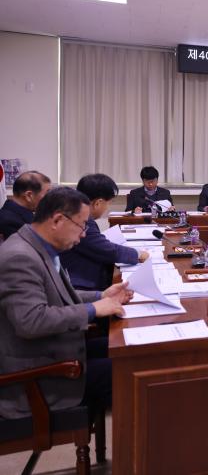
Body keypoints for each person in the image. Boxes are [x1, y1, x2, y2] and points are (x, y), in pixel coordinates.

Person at [0, 187, 132, 419]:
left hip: (56, 349)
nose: (84, 235)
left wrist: (101, 295)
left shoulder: (37, 245)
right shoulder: (20, 257)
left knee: (130, 349)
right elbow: (31, 321)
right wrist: (92, 310)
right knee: (136, 371)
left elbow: (57, 295)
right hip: (38, 377)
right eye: (82, 226)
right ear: (58, 220)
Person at [60, 174, 148, 291]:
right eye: (109, 203)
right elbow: (106, 250)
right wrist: (138, 254)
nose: (107, 207)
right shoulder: (79, 221)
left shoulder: (73, 214)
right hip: (82, 286)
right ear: (98, 203)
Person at [0, 170, 51, 240]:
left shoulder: (22, 214)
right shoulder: (11, 222)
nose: (49, 198)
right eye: (47, 194)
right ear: (29, 196)